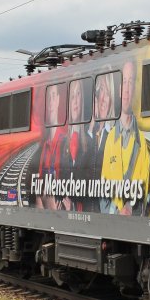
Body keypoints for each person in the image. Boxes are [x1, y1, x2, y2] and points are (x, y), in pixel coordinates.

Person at [100, 60, 150, 215]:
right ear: (120, 89)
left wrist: (129, 207)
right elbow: (103, 187)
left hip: (133, 216)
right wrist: (114, 212)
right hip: (112, 217)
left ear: (135, 90)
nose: (127, 89)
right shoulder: (110, 140)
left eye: (131, 82)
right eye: (125, 82)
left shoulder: (143, 141)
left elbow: (146, 188)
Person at [60, 78, 95, 210]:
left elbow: (93, 188)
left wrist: (73, 207)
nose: (75, 100)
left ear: (82, 101)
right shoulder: (62, 143)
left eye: (78, 95)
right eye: (72, 96)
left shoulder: (91, 144)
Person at [36, 84, 67, 209]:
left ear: (59, 100)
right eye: (48, 97)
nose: (51, 102)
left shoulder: (64, 140)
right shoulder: (44, 145)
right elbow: (38, 183)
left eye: (53, 96)